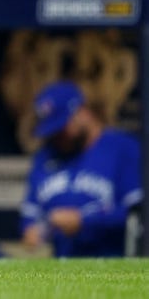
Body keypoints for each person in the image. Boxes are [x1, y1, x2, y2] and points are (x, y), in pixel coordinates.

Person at [22, 81, 142, 257]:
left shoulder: (123, 148)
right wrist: (32, 231)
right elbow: (29, 217)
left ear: (83, 113)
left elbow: (138, 214)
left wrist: (85, 221)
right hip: (64, 266)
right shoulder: (46, 155)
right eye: (52, 132)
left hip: (115, 261)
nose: (57, 137)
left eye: (62, 128)